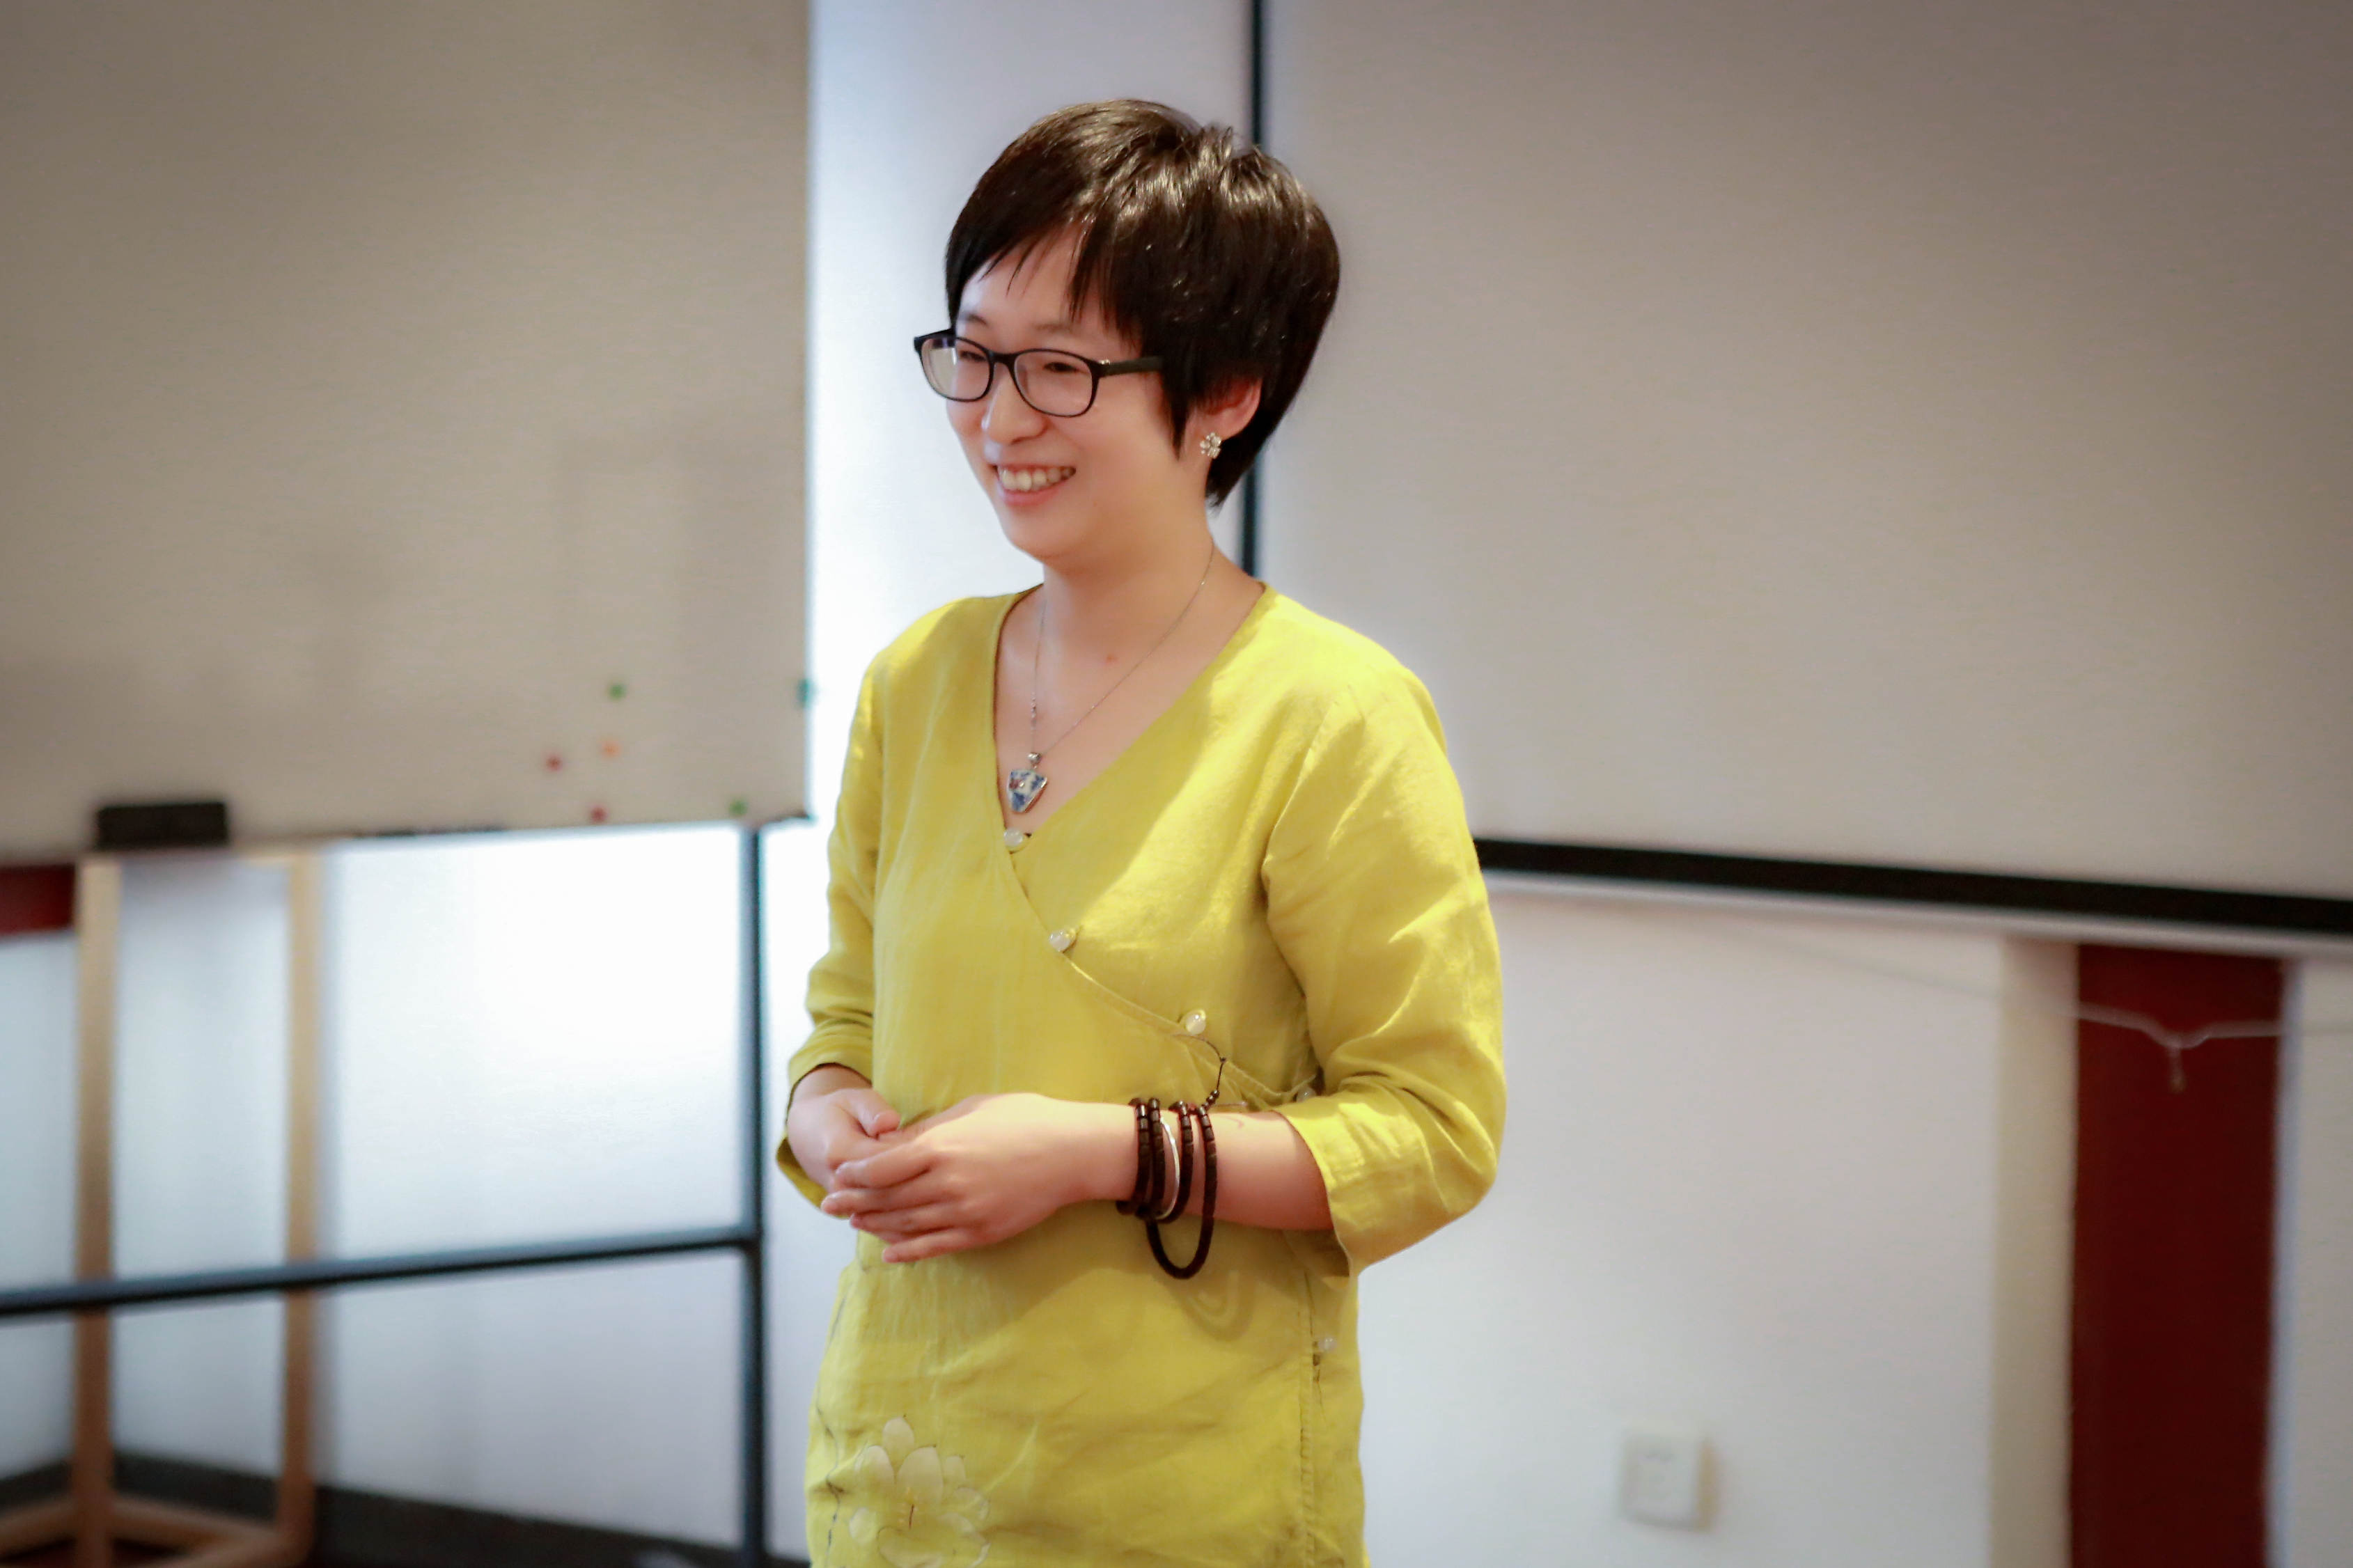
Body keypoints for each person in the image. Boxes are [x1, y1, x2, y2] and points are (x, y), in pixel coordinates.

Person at [777, 100, 1506, 1568]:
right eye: (973, 354)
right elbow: (845, 1018)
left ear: (1225, 391)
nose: (999, 419)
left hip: (1181, 1494)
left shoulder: (1332, 712)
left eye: (1060, 369)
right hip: (903, 1464)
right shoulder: (918, 679)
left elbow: (1432, 1135)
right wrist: (828, 1114)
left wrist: (1093, 1153)